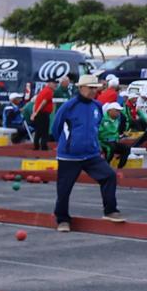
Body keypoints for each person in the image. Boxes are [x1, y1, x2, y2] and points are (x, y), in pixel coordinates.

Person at [52, 73, 125, 230]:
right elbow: (56, 128)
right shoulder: (69, 106)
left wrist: (94, 145)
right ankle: (62, 220)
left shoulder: (97, 106)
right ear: (81, 88)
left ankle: (110, 211)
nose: (94, 91)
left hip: (91, 154)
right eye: (91, 88)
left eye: (96, 88)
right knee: (64, 189)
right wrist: (67, 145)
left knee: (109, 176)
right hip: (70, 156)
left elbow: (95, 127)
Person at [26, 76, 56, 151]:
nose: (55, 85)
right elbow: (43, 103)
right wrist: (36, 112)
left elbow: (36, 103)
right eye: (54, 83)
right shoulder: (49, 91)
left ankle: (36, 146)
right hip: (43, 113)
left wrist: (34, 113)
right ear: (49, 83)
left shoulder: (43, 90)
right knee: (44, 132)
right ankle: (43, 147)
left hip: (39, 113)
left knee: (38, 131)